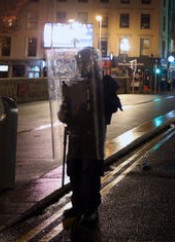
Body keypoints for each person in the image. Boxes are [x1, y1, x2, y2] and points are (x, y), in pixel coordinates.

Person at [58, 47, 118, 231]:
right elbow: (63, 113)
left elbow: (111, 108)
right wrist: (65, 111)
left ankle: (91, 209)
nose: (81, 65)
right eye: (79, 62)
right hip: (76, 137)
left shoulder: (104, 84)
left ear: (92, 62)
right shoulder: (74, 84)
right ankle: (77, 207)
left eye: (84, 62)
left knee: (89, 174)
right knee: (75, 173)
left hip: (93, 139)